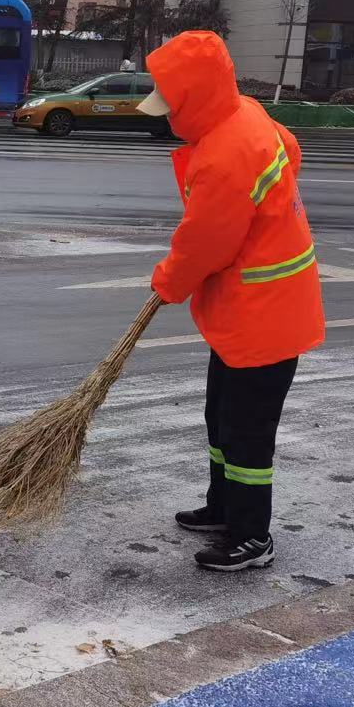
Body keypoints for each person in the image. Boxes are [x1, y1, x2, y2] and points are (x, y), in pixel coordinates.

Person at [137, 31, 325, 573]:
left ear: (195, 98)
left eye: (171, 102)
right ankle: (223, 507)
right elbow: (291, 149)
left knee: (246, 433)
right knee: (220, 416)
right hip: (251, 311)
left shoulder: (225, 153)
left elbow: (206, 241)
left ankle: (251, 538)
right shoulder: (243, 114)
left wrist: (170, 281)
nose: (165, 112)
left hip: (263, 318)